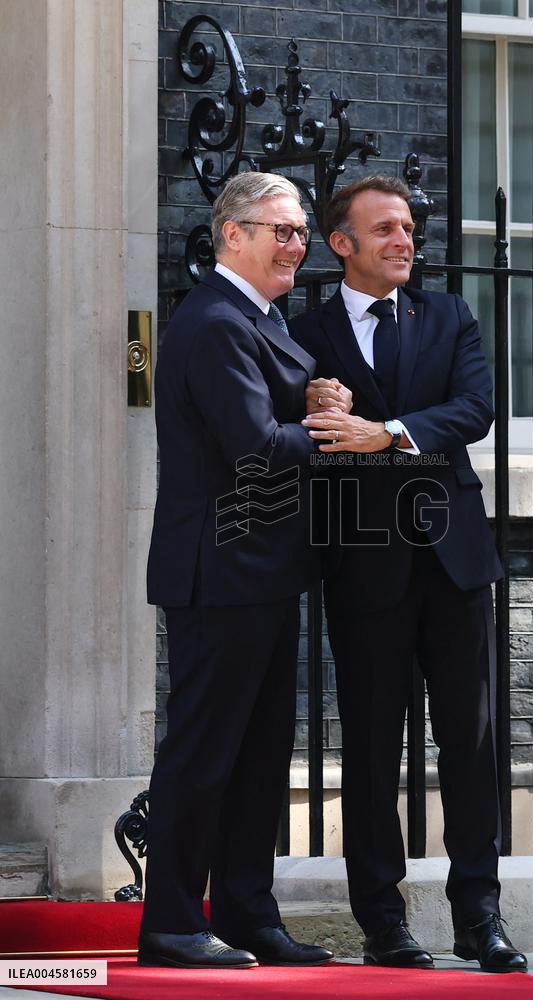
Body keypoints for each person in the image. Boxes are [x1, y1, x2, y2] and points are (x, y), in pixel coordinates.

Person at [289, 176, 527, 974]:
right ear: (341, 244)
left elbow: (474, 410)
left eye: (409, 227)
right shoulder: (306, 331)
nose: (405, 240)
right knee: (368, 749)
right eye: (384, 228)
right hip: (362, 566)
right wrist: (311, 402)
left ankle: (479, 918)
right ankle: (383, 923)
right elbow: (291, 428)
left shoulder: (450, 315)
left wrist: (384, 432)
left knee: (471, 742)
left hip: (455, 559)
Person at [139, 172, 344, 970]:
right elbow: (256, 450)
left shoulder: (256, 318)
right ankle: (174, 922)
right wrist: (329, 425)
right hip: (221, 570)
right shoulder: (219, 321)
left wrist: (310, 400)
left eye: (299, 232)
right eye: (280, 230)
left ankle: (249, 914)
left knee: (261, 754)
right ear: (231, 234)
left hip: (260, 569)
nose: (295, 244)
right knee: (203, 751)